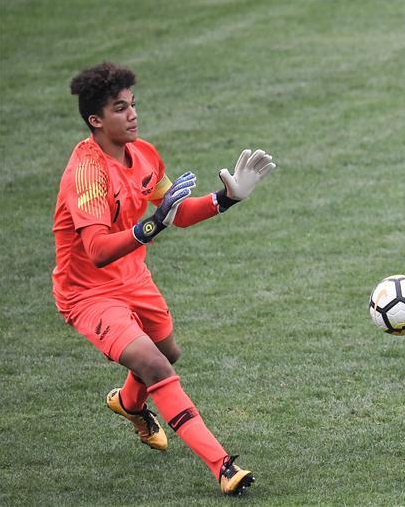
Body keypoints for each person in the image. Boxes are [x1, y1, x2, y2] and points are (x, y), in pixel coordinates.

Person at [52, 63, 276, 495]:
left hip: (134, 278)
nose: (133, 114)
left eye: (133, 105)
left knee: (167, 352)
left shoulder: (144, 155)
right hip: (89, 293)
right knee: (155, 364)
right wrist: (151, 225)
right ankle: (223, 466)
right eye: (120, 108)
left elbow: (178, 212)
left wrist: (227, 198)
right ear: (95, 120)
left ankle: (129, 404)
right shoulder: (87, 174)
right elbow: (97, 250)